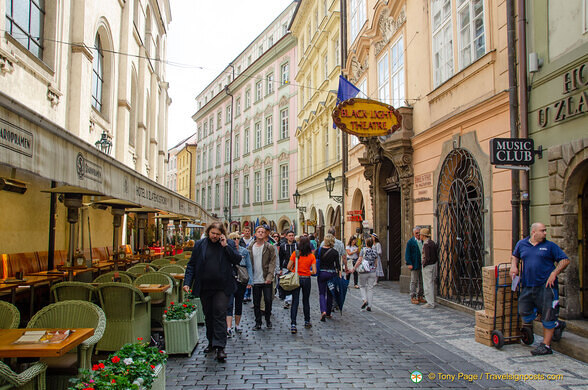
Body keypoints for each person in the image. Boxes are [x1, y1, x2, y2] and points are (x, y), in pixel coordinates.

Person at [183, 222, 241, 362]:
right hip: (205, 286)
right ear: (208, 232)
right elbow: (192, 264)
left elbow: (237, 259)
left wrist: (225, 246)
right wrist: (187, 282)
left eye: (217, 234)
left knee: (219, 313)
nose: (214, 236)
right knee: (208, 315)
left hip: (222, 286)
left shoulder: (228, 244)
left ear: (222, 233)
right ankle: (211, 342)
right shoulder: (200, 245)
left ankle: (220, 347)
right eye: (212, 233)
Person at [510, 222, 570, 356]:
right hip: (527, 286)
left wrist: (554, 273)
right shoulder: (522, 244)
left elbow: (565, 260)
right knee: (524, 312)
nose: (545, 233)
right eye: (542, 231)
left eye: (545, 230)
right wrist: (513, 266)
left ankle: (546, 346)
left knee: (548, 315)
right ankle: (556, 324)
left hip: (546, 287)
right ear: (534, 232)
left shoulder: (550, 246)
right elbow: (515, 256)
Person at [247, 225, 277, 330]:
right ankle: (258, 322)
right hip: (255, 279)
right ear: (255, 234)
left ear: (265, 234)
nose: (260, 233)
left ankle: (268, 319)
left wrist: (270, 276)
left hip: (266, 279)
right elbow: (248, 263)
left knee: (268, 300)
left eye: (263, 232)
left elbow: (272, 262)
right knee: (256, 302)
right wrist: (248, 278)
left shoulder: (269, 247)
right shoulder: (250, 247)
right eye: (259, 231)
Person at [287, 236, 317, 334]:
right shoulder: (311, 256)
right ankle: (307, 321)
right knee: (306, 300)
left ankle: (293, 324)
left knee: (295, 301)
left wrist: (295, 271)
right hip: (306, 279)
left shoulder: (295, 254)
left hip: (297, 278)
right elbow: (314, 271)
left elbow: (288, 266)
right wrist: (308, 271)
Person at [226, 232, 253, 336]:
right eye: (233, 238)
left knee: (238, 303)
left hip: (242, 279)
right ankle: (228, 327)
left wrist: (250, 281)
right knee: (229, 304)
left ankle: (237, 325)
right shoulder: (227, 251)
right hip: (230, 280)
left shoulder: (244, 251)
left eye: (237, 238)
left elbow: (249, 266)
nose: (235, 240)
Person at [316, 234, 341, 322]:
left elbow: (316, 261)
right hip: (331, 274)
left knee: (322, 293)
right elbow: (338, 266)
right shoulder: (335, 252)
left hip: (322, 273)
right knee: (330, 293)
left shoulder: (319, 250)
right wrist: (340, 276)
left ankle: (323, 310)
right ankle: (328, 312)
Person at [353, 236, 378, 312]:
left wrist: (354, 268)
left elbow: (359, 260)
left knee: (362, 286)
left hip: (364, 271)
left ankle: (364, 300)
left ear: (366, 243)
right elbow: (376, 263)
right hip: (372, 271)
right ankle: (370, 305)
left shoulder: (363, 250)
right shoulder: (375, 251)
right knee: (370, 288)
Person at [405, 227, 425, 305]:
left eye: (419, 233)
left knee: (421, 281)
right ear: (413, 233)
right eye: (417, 233)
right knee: (414, 281)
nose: (418, 234)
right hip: (414, 264)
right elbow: (407, 254)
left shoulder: (423, 241)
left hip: (422, 264)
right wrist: (409, 263)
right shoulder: (410, 242)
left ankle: (420, 296)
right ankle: (413, 296)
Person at [420, 228, 438, 309]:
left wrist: (424, 264)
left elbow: (427, 257)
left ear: (423, 236)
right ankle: (432, 301)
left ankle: (430, 302)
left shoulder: (426, 244)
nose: (420, 236)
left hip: (428, 266)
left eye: (420, 234)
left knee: (427, 284)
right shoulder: (432, 242)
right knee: (431, 283)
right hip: (433, 265)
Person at [278, 231, 297, 308]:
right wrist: (280, 268)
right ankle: (287, 300)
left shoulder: (296, 245)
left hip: (295, 268)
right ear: (286, 237)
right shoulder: (283, 246)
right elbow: (280, 257)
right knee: (287, 283)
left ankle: (291, 299)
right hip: (286, 267)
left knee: (294, 283)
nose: (291, 237)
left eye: (292, 235)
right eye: (290, 235)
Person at [239, 226, 255, 302]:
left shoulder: (253, 240)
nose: (247, 232)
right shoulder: (240, 240)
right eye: (246, 231)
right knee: (244, 277)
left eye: (248, 231)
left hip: (251, 259)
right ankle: (245, 295)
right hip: (243, 261)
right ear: (243, 232)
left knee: (250, 276)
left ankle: (248, 294)